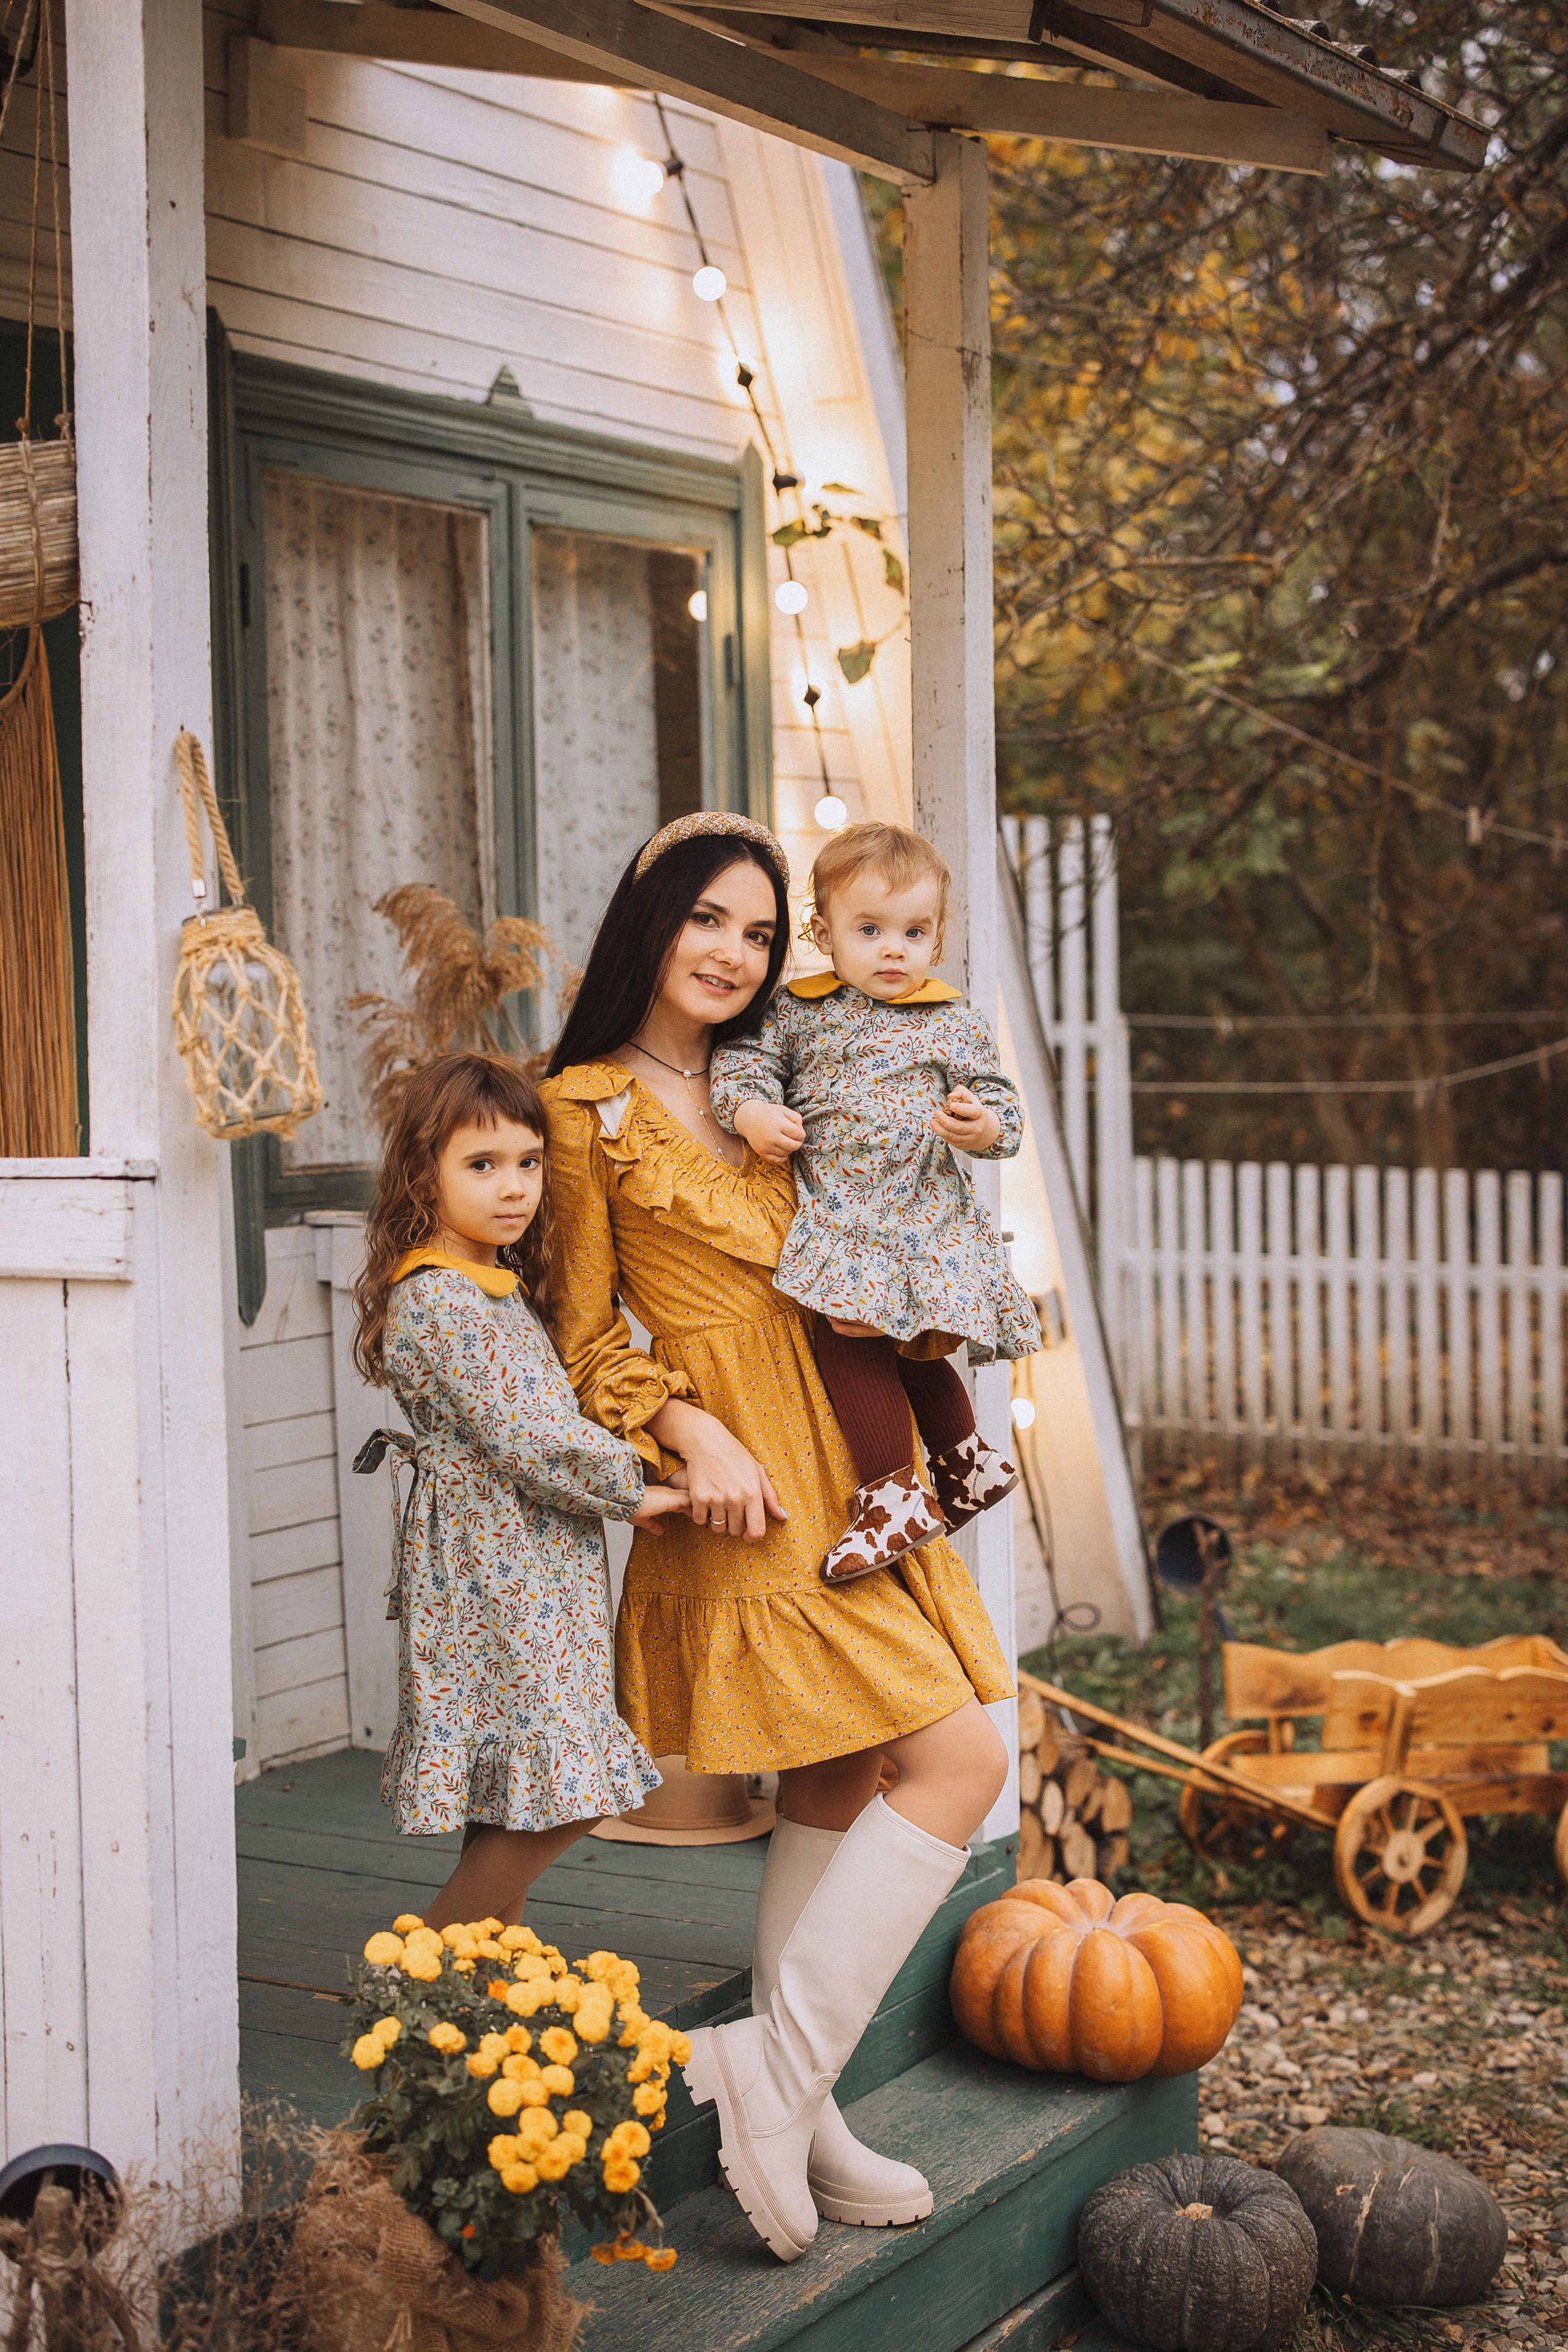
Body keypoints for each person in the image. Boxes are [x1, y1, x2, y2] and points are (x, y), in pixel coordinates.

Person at [540, 811, 1011, 2266]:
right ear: (649, 923)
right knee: (962, 1757)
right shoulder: (579, 1107)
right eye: (706, 920)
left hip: (848, 1434)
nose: (732, 951)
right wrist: (688, 1432)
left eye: (755, 929)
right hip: (742, 1468)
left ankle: (794, 2100)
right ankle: (776, 2063)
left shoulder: (808, 1051)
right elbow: (580, 1332)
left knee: (846, 1763)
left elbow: (899, 1197)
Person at [349, 1052, 689, 1931]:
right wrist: (636, 1487)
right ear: (423, 1176)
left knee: (518, 1786)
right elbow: (526, 1433)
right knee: (569, 1785)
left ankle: (484, 1988)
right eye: (482, 1165)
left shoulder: (491, 1287)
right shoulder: (441, 1300)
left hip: (531, 1557)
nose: (514, 1188)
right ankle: (419, 1975)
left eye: (529, 1163)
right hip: (493, 1576)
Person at [708, 821, 1040, 1584]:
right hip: (849, 1218)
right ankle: (966, 1464)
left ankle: (892, 1498)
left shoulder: (950, 1017)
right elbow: (744, 1065)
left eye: (914, 931)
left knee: (867, 1340)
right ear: (823, 933)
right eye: (870, 929)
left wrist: (983, 1125)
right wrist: (754, 1114)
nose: (895, 949)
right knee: (871, 1333)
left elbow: (1002, 1110)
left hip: (924, 1219)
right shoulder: (795, 1010)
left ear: (937, 936)